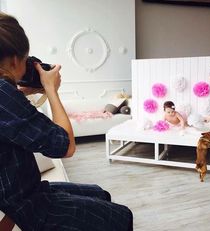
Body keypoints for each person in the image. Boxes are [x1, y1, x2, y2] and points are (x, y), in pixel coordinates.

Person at [0, 12, 133, 230]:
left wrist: (21, 94)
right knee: (122, 217)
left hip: (25, 193)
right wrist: (51, 89)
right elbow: (65, 146)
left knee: (101, 194)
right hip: (28, 207)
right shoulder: (3, 92)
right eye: (26, 60)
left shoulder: (6, 93)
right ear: (15, 60)